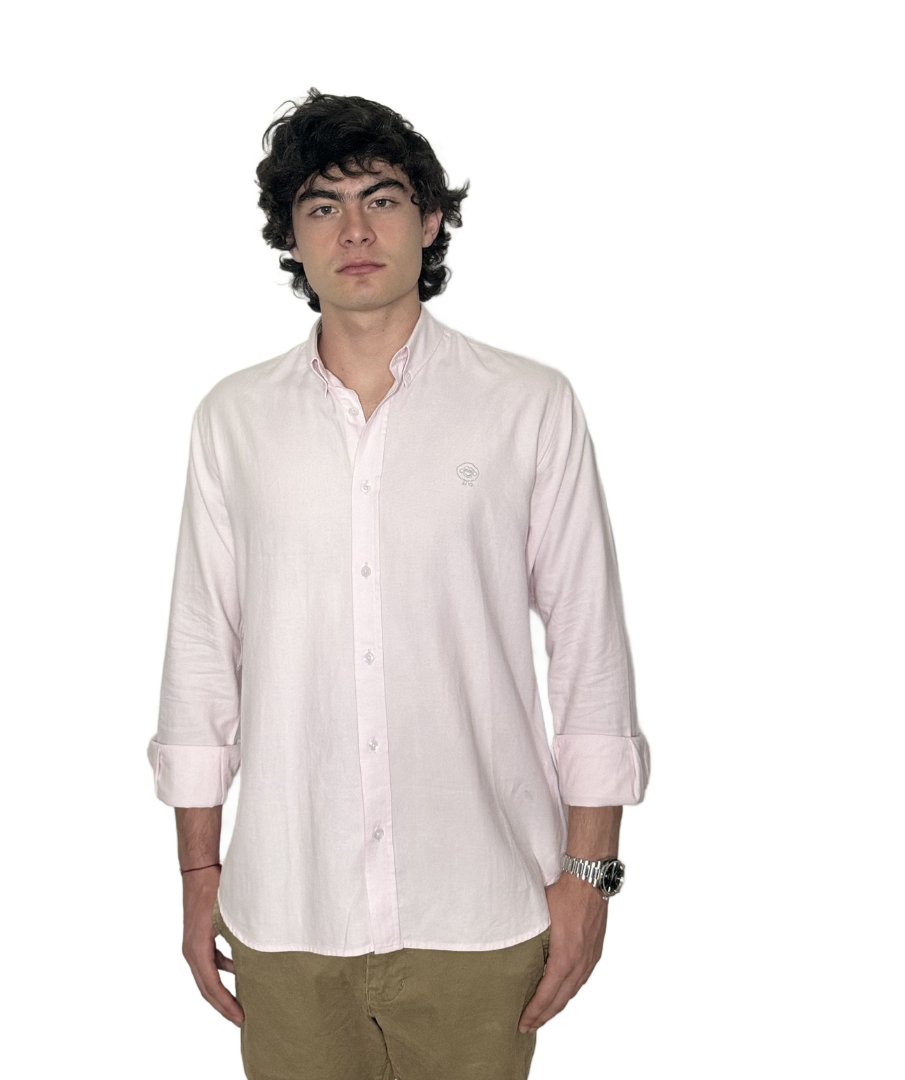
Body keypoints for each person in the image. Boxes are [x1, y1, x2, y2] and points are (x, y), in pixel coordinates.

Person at [147, 87, 650, 1080]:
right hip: (287, 909)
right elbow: (202, 651)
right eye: (322, 206)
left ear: (430, 220)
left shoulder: (527, 406)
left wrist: (591, 877)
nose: (355, 230)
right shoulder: (234, 421)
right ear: (290, 238)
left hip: (483, 905)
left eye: (381, 198)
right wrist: (199, 871)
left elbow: (590, 649)